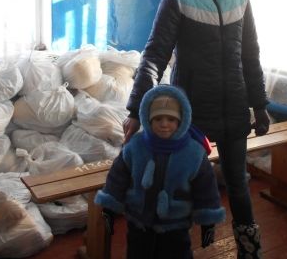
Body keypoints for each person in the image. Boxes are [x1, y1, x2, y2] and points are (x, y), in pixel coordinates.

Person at [123, 0, 270, 258]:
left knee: (238, 185)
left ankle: (249, 251)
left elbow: (250, 56)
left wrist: (259, 105)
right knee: (182, 186)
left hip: (234, 110)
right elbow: (155, 55)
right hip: (191, 113)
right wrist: (135, 110)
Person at [95, 84, 225, 259]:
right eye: (158, 119)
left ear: (181, 121)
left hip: (175, 226)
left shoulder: (193, 153)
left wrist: (208, 222)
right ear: (148, 120)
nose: (164, 124)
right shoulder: (135, 147)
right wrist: (109, 208)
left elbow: (206, 188)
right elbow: (117, 178)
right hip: (139, 223)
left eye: (171, 119)